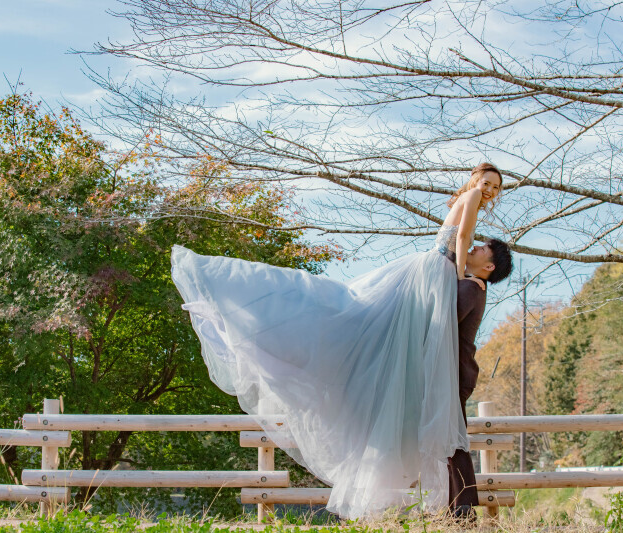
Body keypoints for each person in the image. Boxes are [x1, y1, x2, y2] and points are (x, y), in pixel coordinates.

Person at [170, 163, 507, 519]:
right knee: (362, 316)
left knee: (366, 317)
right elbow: (462, 238)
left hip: (433, 272)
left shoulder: (473, 272)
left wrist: (460, 277)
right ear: (474, 181)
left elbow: (463, 244)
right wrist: (457, 275)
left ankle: (460, 513)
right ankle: (233, 310)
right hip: (436, 270)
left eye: (495, 187)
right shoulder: (470, 203)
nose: (488, 189)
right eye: (486, 182)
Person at [448, 239, 513, 522]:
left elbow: (444, 318)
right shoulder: (470, 284)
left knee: (453, 440)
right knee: (449, 438)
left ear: (489, 266)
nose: (474, 246)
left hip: (455, 373)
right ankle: (457, 507)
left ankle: (462, 510)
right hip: (453, 372)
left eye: (483, 248)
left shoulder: (472, 287)